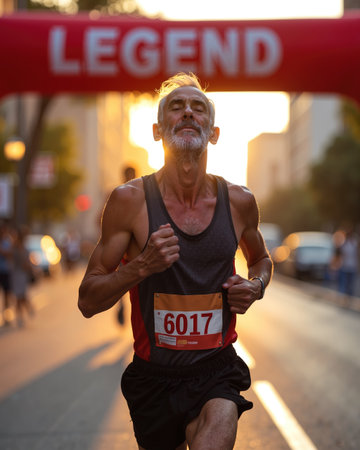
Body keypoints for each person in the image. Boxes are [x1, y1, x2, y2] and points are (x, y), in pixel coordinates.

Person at [78, 72, 273, 450]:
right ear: (156, 130)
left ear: (213, 133)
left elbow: (262, 259)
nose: (187, 113)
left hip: (217, 370)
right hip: (154, 377)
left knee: (218, 423)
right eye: (176, 107)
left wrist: (256, 286)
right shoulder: (129, 202)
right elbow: (87, 299)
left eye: (198, 108)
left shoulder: (239, 202)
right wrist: (140, 267)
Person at [10, 227, 35, 327]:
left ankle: (24, 313)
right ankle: (21, 316)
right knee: (18, 297)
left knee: (22, 295)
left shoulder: (24, 249)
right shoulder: (15, 248)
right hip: (16, 274)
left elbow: (28, 262)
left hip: (22, 274)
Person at [0, 221, 13, 326]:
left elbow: (9, 253)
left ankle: (6, 315)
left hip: (5, 271)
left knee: (6, 295)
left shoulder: (7, 241)